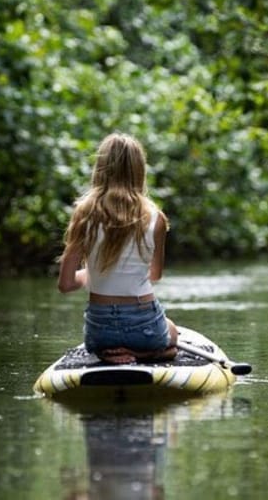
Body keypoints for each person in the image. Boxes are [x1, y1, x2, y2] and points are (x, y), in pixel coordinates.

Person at [57, 133, 178, 364]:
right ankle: (144, 354)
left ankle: (112, 354)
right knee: (172, 332)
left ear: (100, 168)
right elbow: (155, 275)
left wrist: (93, 273)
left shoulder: (83, 213)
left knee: (109, 336)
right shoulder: (156, 217)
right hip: (144, 326)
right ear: (139, 170)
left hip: (100, 334)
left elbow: (65, 284)